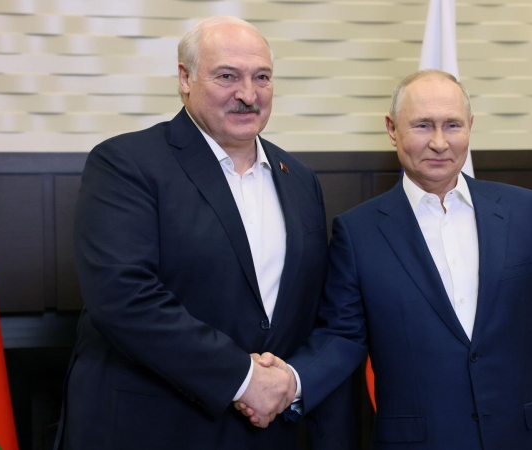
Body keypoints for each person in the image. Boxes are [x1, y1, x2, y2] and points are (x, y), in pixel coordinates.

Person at [244, 70, 532, 449]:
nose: (440, 143)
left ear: (470, 127)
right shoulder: (358, 232)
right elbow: (341, 338)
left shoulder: (524, 211)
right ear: (392, 129)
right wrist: (291, 380)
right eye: (423, 125)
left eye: (453, 125)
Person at [54, 15, 351, 450]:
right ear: (185, 78)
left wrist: (287, 381)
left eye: (262, 77)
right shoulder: (126, 163)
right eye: (227, 76)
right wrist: (244, 379)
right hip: (155, 429)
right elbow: (123, 297)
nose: (248, 94)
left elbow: (308, 308)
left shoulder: (300, 178)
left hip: (267, 431)